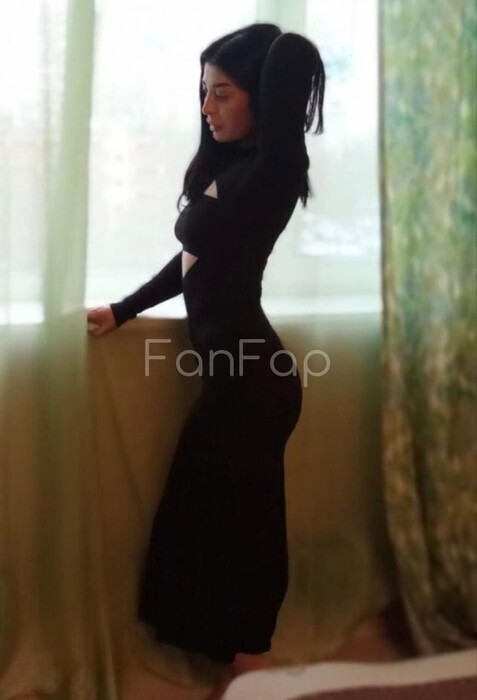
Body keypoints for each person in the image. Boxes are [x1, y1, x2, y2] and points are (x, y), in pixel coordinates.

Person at [87, 22, 325, 696]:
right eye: (203, 92)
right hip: (234, 382)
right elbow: (192, 261)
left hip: (255, 382)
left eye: (222, 93)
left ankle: (251, 665)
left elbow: (291, 60)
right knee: (206, 515)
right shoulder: (231, 171)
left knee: (245, 525)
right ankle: (231, 655)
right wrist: (124, 308)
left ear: (261, 97)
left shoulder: (272, 172)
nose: (207, 108)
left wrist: (275, 44)